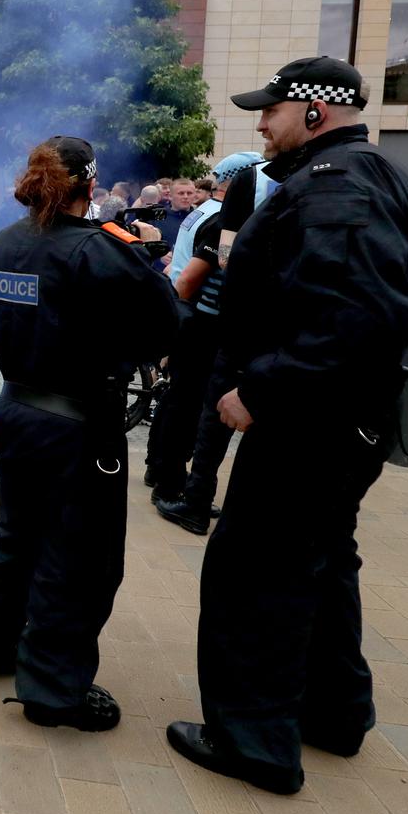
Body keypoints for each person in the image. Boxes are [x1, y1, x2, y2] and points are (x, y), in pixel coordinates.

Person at [168, 57, 408, 796]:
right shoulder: (360, 175)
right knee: (322, 560)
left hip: (308, 422)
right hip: (337, 419)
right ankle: (334, 713)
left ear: (315, 111)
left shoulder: (339, 183)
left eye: (271, 110)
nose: (261, 124)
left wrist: (264, 388)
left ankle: (253, 743)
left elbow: (354, 311)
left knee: (257, 572)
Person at [0, 137, 177, 732]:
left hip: (16, 408)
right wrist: (148, 258)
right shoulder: (103, 249)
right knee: (78, 556)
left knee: (17, 533)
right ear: (90, 185)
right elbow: (164, 326)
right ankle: (53, 690)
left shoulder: (4, 241)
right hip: (78, 424)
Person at [146, 152, 263, 534]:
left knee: (179, 399)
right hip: (199, 322)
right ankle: (170, 481)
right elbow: (191, 276)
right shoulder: (219, 218)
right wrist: (180, 320)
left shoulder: (206, 210)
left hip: (191, 318)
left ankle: (161, 473)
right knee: (187, 404)